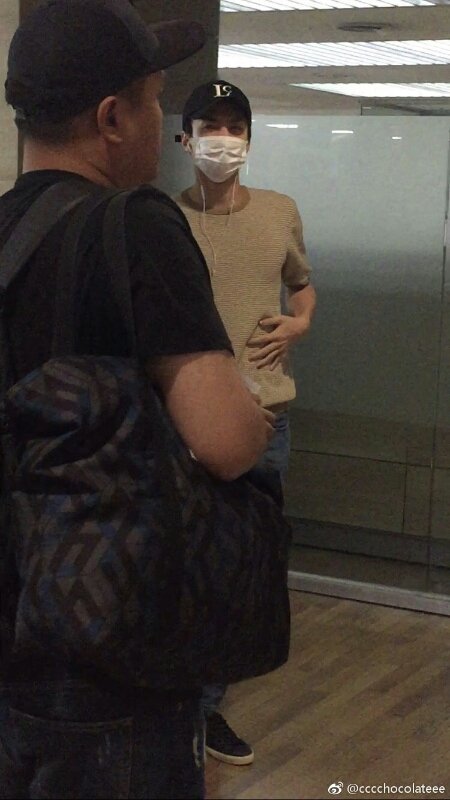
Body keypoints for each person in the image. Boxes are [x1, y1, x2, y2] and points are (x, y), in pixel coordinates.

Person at [0, 5, 276, 798]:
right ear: (112, 118)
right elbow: (225, 440)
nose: (166, 123)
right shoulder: (134, 226)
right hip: (104, 659)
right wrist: (253, 409)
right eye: (156, 101)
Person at [177, 79, 317, 767]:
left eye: (235, 127)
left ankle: (206, 710)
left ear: (250, 140)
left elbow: (303, 284)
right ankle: (175, 707)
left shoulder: (280, 211)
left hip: (266, 417)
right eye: (211, 126)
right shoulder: (163, 219)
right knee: (184, 568)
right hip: (187, 423)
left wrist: (300, 323)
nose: (223, 139)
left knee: (242, 573)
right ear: (186, 139)